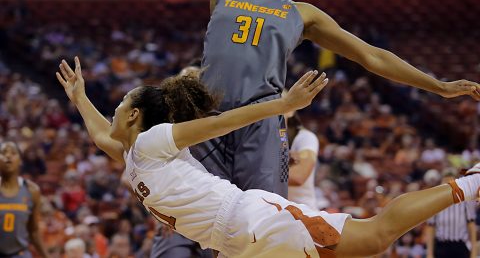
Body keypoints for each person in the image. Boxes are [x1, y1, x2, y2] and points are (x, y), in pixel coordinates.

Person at [109, 0, 480, 256]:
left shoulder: (302, 14)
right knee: (213, 235)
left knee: (265, 233)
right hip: (208, 118)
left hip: (262, 119)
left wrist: (436, 85)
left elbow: (371, 56)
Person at [57, 57, 480, 258]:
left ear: (133, 115)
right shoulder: (133, 157)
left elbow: (219, 124)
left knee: (373, 237)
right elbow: (99, 134)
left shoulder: (153, 142)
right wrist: (79, 96)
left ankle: (471, 183)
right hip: (232, 240)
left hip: (251, 222)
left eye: (118, 106)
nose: (110, 112)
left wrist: (282, 104)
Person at [0, 141, 51, 258]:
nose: (8, 156)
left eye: (13, 153)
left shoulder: (32, 190)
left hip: (20, 254)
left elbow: (33, 230)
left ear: (21, 161)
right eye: (3, 153)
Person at [426, 168, 477, 258]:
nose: (447, 185)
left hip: (460, 246)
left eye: (450, 182)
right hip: (441, 246)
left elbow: (471, 226)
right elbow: (431, 228)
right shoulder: (435, 202)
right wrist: (429, 253)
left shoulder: (465, 202)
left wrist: (474, 252)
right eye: (445, 182)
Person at [287, 112, 319, 209]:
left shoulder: (305, 137)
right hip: (277, 212)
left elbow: (299, 176)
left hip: (304, 214)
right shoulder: (267, 139)